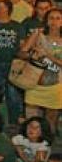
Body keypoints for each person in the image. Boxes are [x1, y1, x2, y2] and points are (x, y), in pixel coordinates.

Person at [19, 7, 62, 136]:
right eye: (51, 18)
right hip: (34, 84)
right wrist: (32, 55)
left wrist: (47, 55)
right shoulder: (38, 34)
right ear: (46, 21)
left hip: (55, 86)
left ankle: (48, 144)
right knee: (32, 121)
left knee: (51, 122)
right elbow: (21, 53)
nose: (54, 21)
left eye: (58, 18)